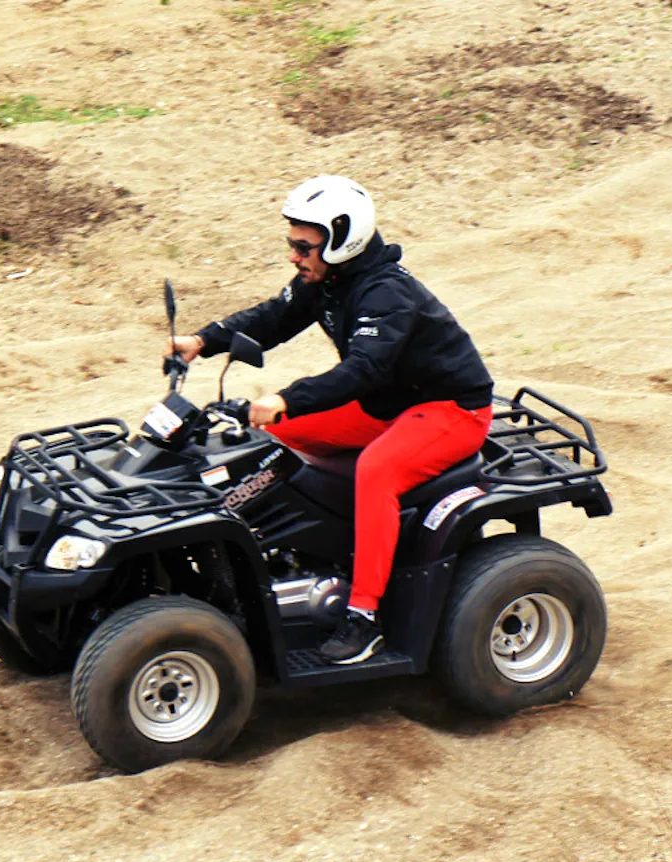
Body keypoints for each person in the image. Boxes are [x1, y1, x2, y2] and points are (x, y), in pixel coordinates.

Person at [168, 175, 494, 665]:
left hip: (451, 409)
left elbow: (363, 370)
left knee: (377, 472)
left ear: (344, 241)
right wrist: (203, 341)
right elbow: (272, 318)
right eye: (291, 243)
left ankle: (364, 618)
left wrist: (286, 397)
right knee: (270, 437)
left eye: (304, 246)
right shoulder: (328, 281)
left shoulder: (387, 294)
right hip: (388, 403)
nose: (294, 256)